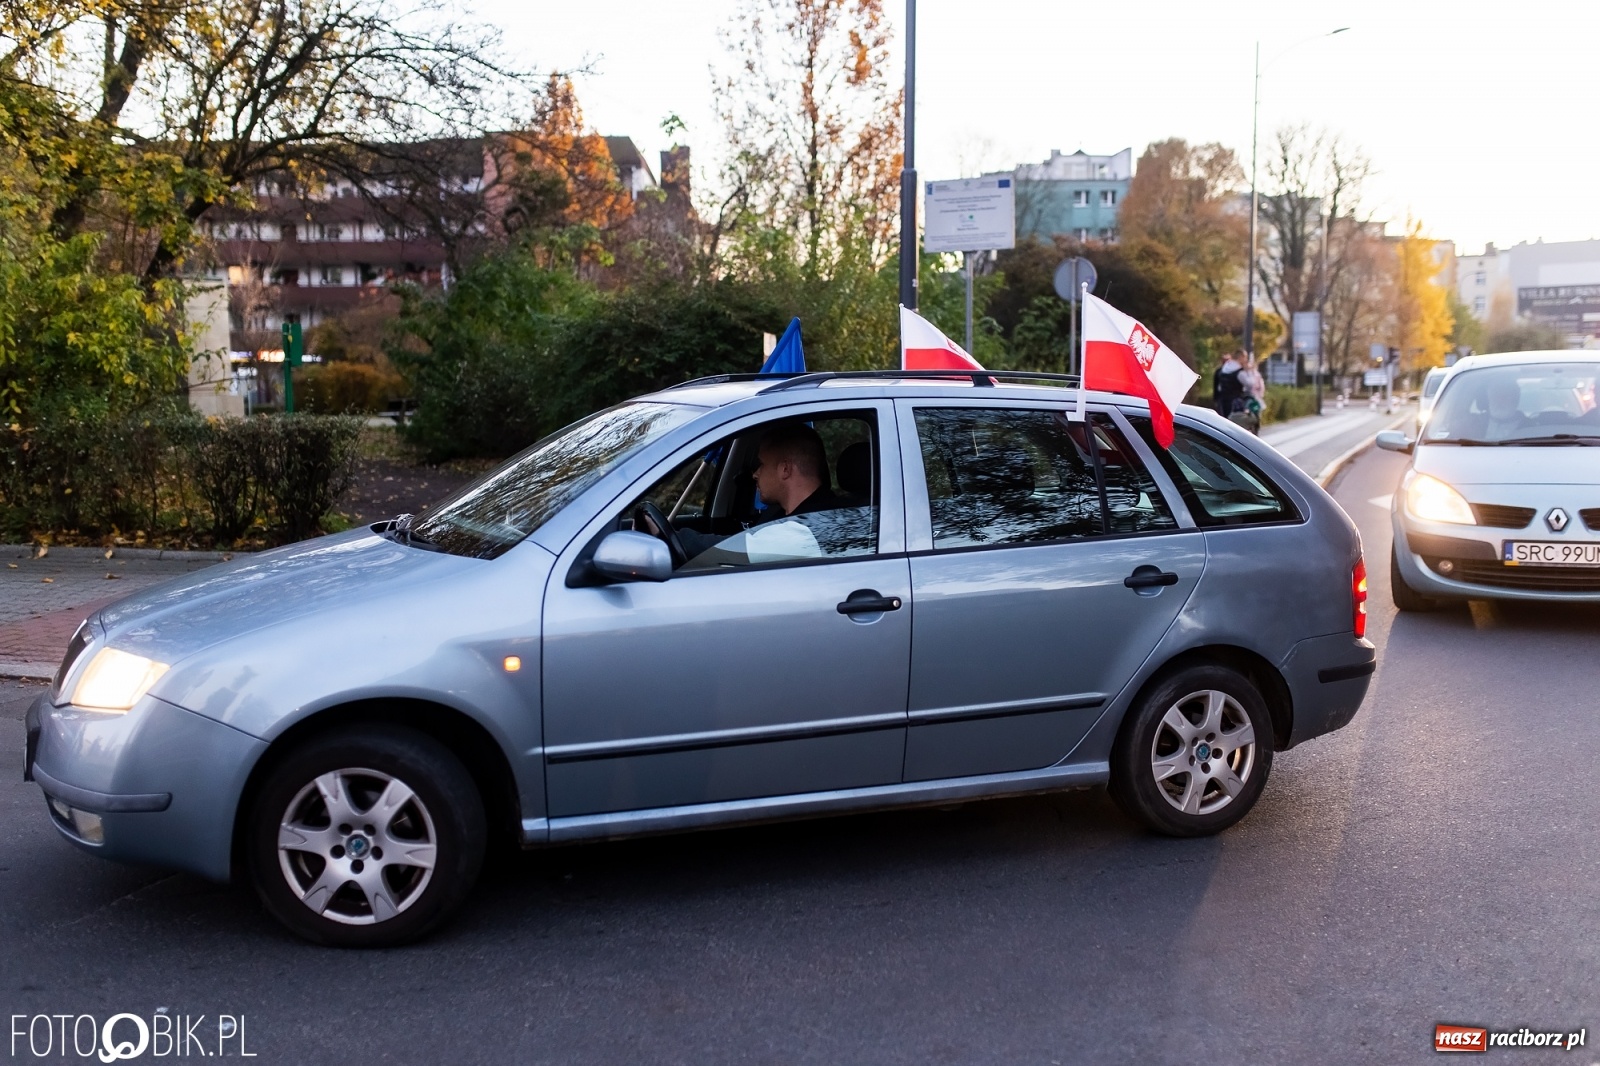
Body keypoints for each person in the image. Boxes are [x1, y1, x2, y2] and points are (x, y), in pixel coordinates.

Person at [1213, 350, 1246, 417]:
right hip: (1235, 399)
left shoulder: (1222, 371)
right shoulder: (1240, 371)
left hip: (1224, 398)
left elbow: (1217, 386)